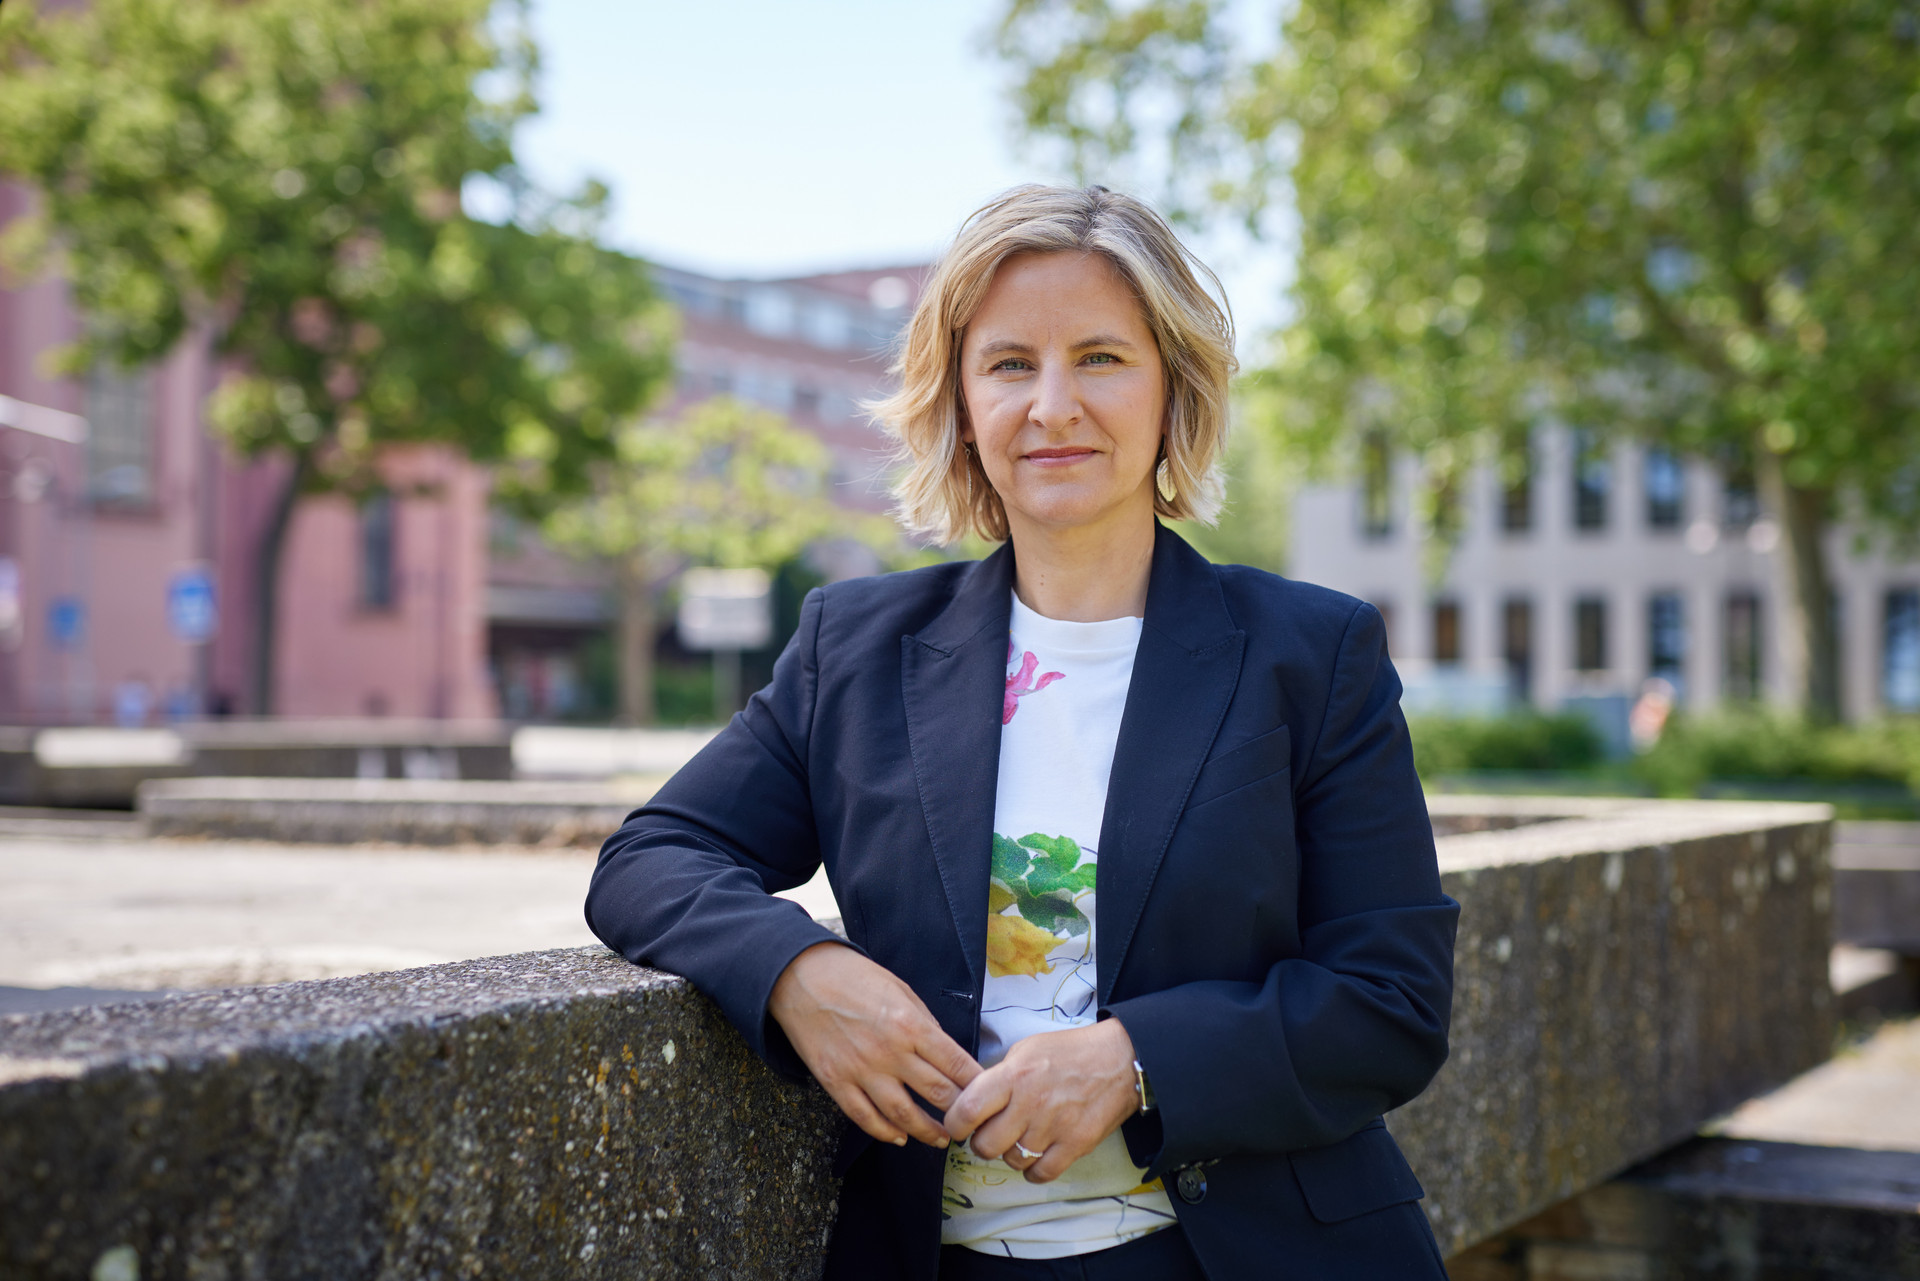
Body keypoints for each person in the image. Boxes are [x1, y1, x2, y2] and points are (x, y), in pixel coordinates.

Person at [587, 185, 1459, 1280]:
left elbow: (1393, 1000)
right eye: (1009, 365)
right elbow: (649, 858)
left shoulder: (1311, 653)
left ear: (1172, 388)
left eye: (1100, 358)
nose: (1053, 407)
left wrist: (1139, 1062)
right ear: (958, 401)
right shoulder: (854, 648)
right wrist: (798, 972)